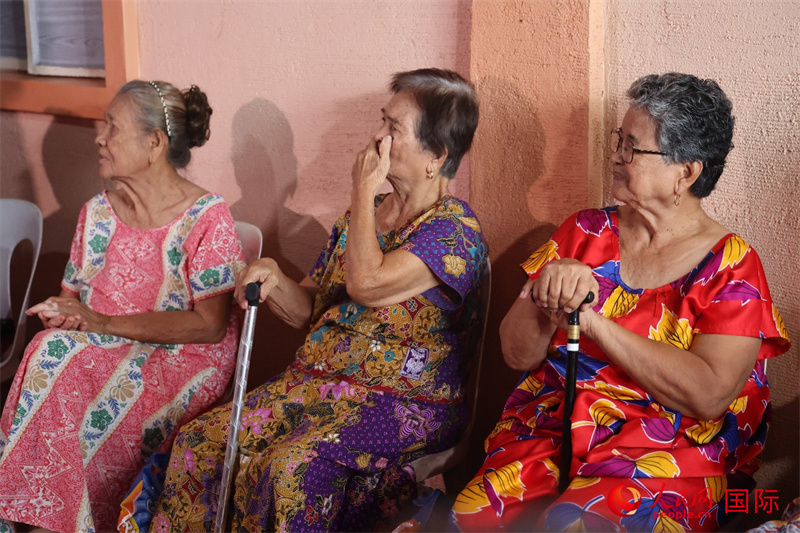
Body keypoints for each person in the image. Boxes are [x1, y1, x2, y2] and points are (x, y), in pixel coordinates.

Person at [147, 68, 487, 532]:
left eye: (394, 127)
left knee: (290, 468)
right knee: (200, 441)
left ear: (437, 155)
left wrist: (363, 188)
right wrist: (275, 278)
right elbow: (312, 307)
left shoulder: (454, 231)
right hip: (316, 384)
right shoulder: (363, 218)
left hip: (404, 402)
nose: (378, 137)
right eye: (382, 120)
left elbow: (366, 283)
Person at [451, 73, 790, 532]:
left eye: (632, 147)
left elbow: (709, 395)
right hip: (554, 429)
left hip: (670, 452)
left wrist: (591, 322)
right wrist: (548, 297)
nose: (615, 156)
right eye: (619, 140)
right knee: (472, 518)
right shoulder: (584, 231)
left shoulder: (732, 266)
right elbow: (515, 352)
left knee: (582, 525)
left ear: (686, 173)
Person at [0, 80, 245, 533]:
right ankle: (47, 519)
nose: (100, 138)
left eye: (112, 127)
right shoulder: (96, 212)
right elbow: (73, 298)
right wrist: (64, 312)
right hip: (100, 349)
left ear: (154, 143)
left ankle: (40, 520)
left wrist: (100, 322)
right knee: (49, 349)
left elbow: (210, 326)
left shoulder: (208, 216)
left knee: (54, 359)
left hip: (181, 363)